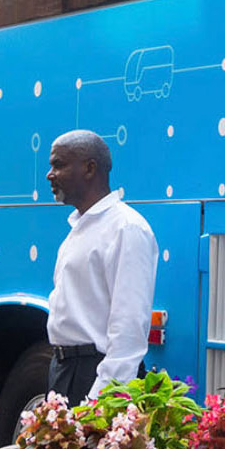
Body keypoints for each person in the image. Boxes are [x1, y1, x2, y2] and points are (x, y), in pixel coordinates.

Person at [45, 129, 159, 405]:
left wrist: (98, 403)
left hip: (93, 379)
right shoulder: (79, 228)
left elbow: (128, 331)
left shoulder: (126, 228)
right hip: (64, 373)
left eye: (58, 165)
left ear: (89, 168)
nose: (50, 174)